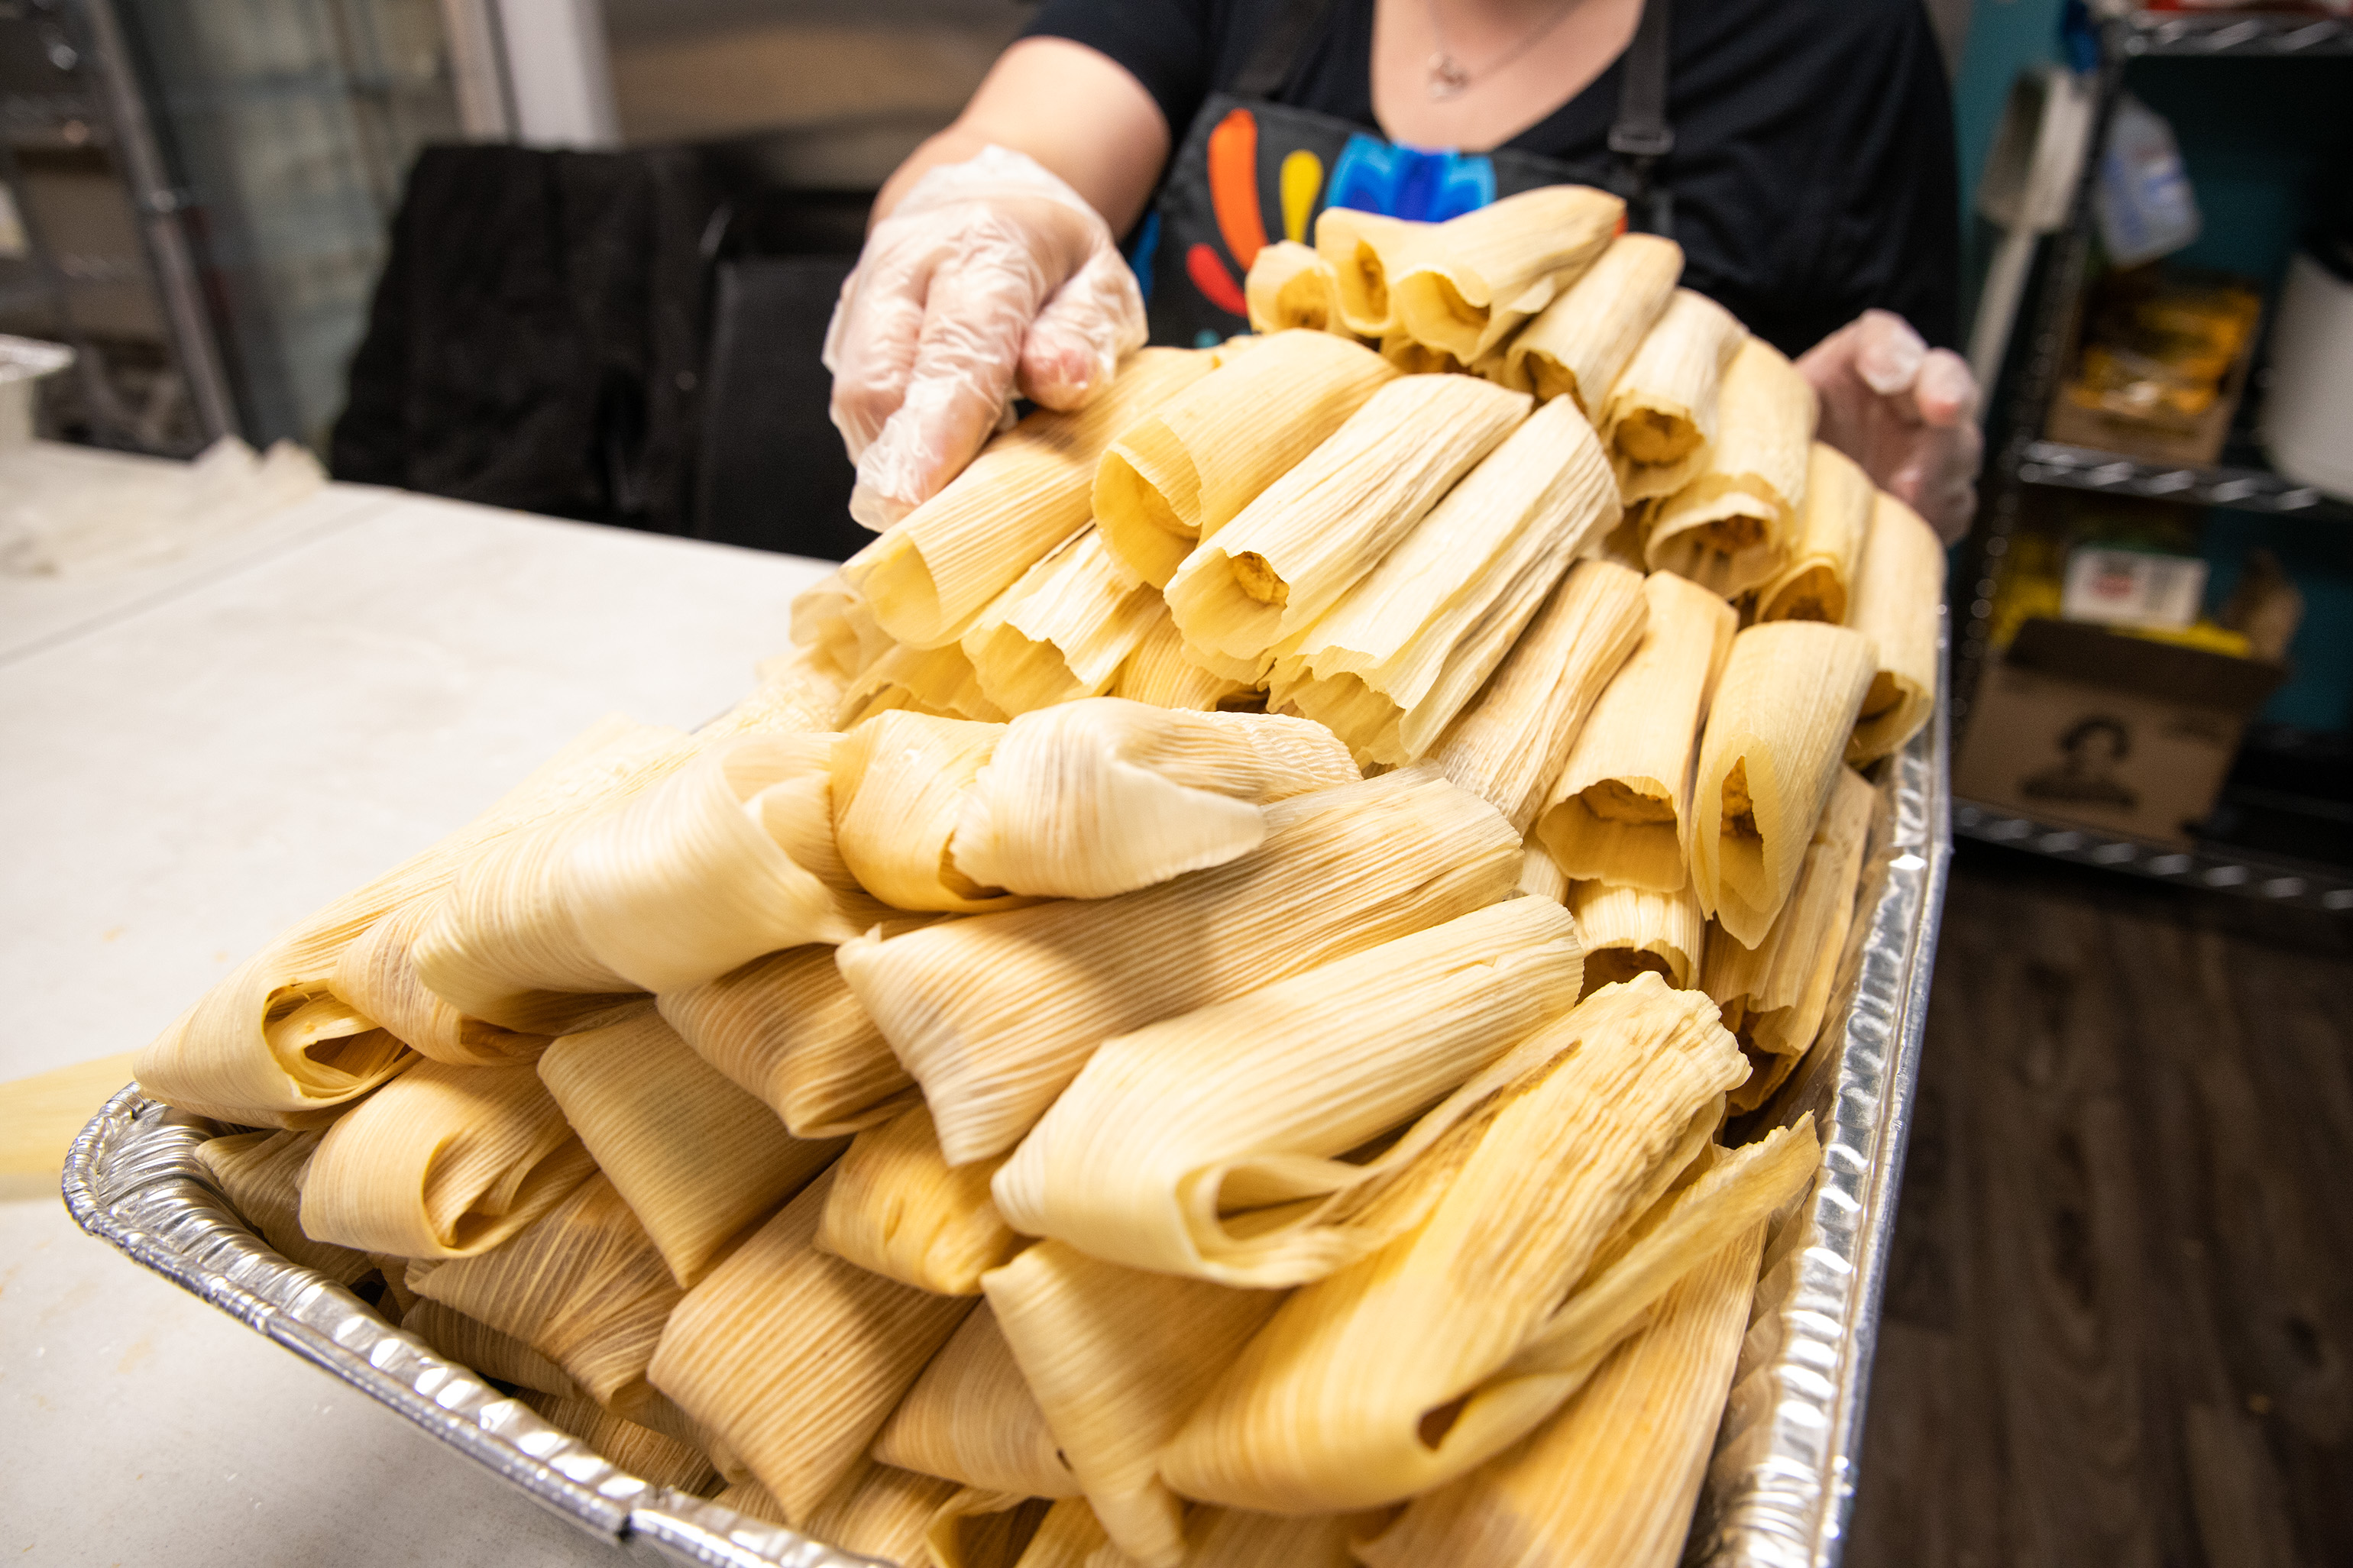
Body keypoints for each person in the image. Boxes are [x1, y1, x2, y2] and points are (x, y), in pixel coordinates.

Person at [824, 0, 1983, 542]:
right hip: (1137, 643)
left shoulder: (1841, 41)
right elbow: (1031, 134)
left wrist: (1821, 462)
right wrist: (988, 213)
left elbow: (1865, 420)